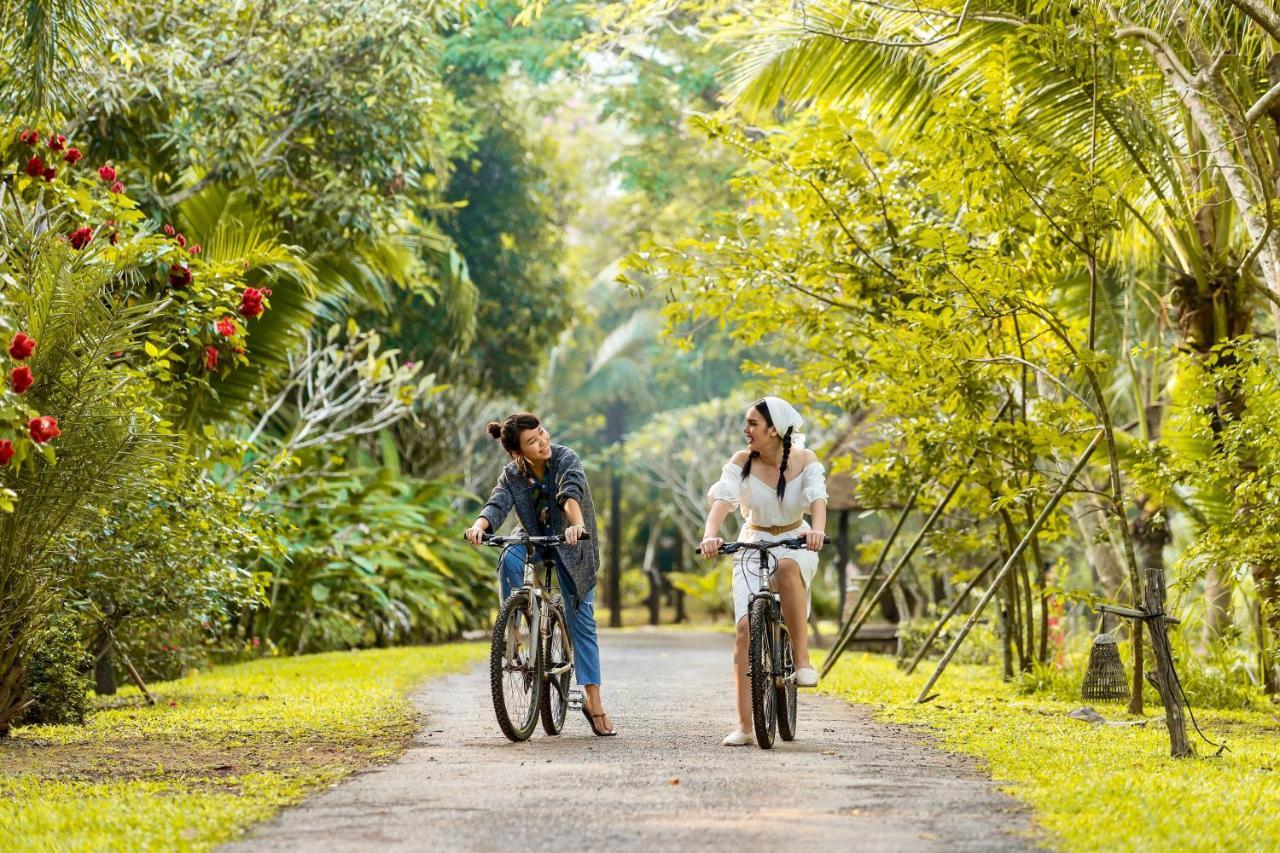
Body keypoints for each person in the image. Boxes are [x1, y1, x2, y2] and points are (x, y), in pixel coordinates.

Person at [464, 412, 616, 737]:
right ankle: (515, 627)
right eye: (532, 441)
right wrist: (479, 527)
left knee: (582, 621)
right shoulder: (512, 474)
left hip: (572, 542)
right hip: (533, 537)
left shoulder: (565, 458)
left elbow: (569, 492)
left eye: (542, 433)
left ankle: (594, 702)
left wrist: (577, 525)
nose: (543, 441)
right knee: (508, 556)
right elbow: (498, 503)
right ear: (518, 452)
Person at [699, 397, 828, 746]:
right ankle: (745, 725)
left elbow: (818, 498)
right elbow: (723, 500)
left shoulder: (806, 460)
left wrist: (816, 530)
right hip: (751, 541)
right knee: (744, 629)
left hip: (795, 540)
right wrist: (711, 535)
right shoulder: (741, 462)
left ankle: (801, 660)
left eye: (752, 423)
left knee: (786, 569)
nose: (746, 430)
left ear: (774, 430)